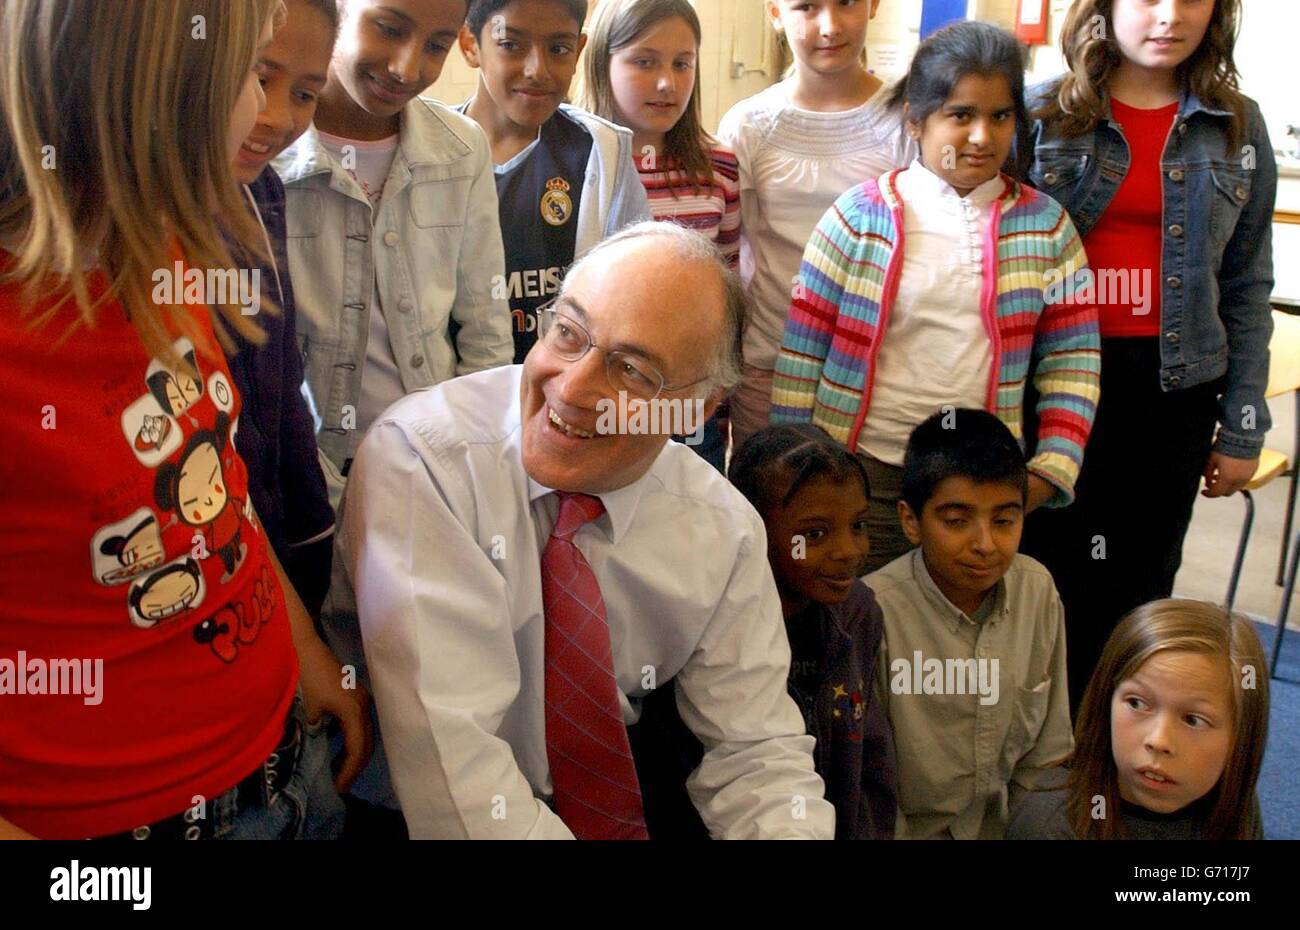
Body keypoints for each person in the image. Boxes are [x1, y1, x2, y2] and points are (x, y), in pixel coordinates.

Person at [323, 221, 834, 839]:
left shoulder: (722, 529)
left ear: (698, 407)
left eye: (632, 371)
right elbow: (452, 767)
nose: (571, 387)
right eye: (568, 333)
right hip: (406, 814)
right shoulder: (424, 461)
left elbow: (756, 752)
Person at [0, 0, 368, 840]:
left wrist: (304, 647)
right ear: (165, 90)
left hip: (279, 754)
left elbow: (214, 482)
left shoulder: (159, 246)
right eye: (252, 74)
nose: (271, 114)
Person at [1018, 0, 1276, 715]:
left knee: (1141, 580)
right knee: (1046, 574)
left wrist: (1244, 426)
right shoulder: (1042, 112)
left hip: (1175, 390)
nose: (1169, 15)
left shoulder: (1238, 124)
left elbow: (1249, 283)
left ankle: (1108, 750)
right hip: (1057, 383)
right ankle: (1039, 758)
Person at [773, 22, 1100, 572]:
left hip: (980, 487)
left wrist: (1051, 470)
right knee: (855, 632)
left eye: (1000, 116)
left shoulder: (1048, 228)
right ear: (916, 120)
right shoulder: (855, 218)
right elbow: (802, 355)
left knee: (959, 634)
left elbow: (1074, 360)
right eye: (960, 115)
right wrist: (798, 469)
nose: (982, 136)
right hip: (861, 476)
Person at [275, 0, 513, 508]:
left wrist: (474, 452)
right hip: (304, 467)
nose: (407, 67)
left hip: (430, 463)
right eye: (388, 28)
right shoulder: (267, 144)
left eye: (436, 45)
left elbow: (485, 327)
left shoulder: (461, 148)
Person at [717, 0, 914, 449]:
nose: (829, 26)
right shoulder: (747, 126)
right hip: (769, 362)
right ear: (774, 13)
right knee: (770, 507)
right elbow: (726, 253)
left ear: (873, 5)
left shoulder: (906, 121)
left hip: (874, 370)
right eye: (806, 7)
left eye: (846, 4)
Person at [867, 410, 1072, 839]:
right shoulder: (873, 614)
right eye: (957, 521)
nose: (984, 544)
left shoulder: (1037, 591)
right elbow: (869, 783)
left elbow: (1048, 754)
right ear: (911, 521)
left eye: (1004, 520)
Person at [578, 0, 741, 469]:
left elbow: (727, 288)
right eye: (644, 62)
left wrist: (717, 400)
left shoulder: (719, 168)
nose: (668, 83)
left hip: (685, 406)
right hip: (599, 396)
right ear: (602, 61)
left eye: (682, 63)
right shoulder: (576, 162)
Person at [456, 0, 651, 363]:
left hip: (566, 395)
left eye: (558, 49)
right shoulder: (431, 155)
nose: (537, 70)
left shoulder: (602, 152)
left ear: (578, 51)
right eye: (510, 45)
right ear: (470, 44)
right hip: (454, 396)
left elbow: (633, 294)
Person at [730, 424, 897, 839]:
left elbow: (870, 759)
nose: (849, 551)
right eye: (814, 534)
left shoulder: (858, 612)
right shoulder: (717, 623)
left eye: (858, 525)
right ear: (752, 525)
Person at [227, 0, 340, 616]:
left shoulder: (262, 190)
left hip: (279, 517)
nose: (274, 116)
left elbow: (280, 373)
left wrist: (312, 525)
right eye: (259, 78)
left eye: (304, 94)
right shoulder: (149, 221)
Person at [1008, 599, 1269, 840]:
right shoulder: (1052, 823)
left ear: (1242, 736)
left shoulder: (1233, 803)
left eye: (1193, 720)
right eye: (1136, 703)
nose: (1158, 740)